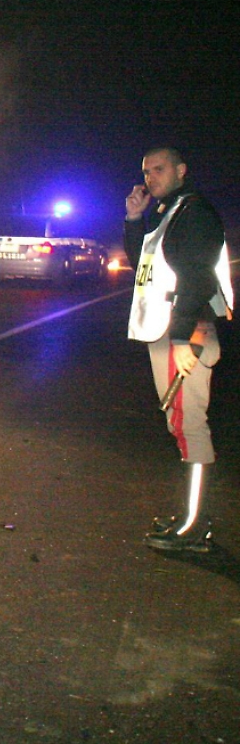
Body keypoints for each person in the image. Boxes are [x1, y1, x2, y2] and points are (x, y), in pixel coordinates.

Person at [125, 146, 233, 553]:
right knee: (181, 425)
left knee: (190, 427)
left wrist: (185, 335)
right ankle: (191, 518)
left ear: (181, 170)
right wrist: (135, 219)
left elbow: (199, 278)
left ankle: (194, 527)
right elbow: (145, 267)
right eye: (146, 171)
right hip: (170, 333)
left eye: (159, 169)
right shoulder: (170, 213)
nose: (151, 177)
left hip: (183, 335)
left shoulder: (195, 213)